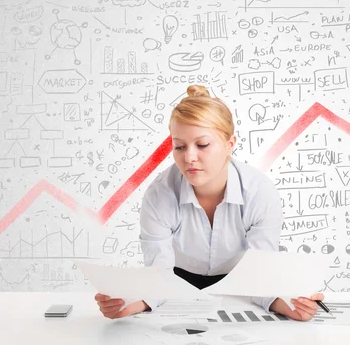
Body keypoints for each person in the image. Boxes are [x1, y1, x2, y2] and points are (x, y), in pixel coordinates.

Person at [94, 85, 324, 321]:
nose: (189, 157)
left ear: (230, 144)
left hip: (242, 285)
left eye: (202, 144)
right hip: (178, 284)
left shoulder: (259, 192)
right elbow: (158, 272)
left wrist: (290, 305)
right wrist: (129, 304)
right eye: (179, 146)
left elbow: (259, 272)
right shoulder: (160, 194)